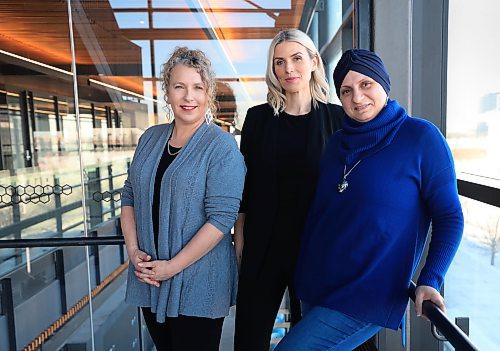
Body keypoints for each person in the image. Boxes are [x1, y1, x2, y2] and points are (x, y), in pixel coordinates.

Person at [275, 49, 464, 351]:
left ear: (384, 85)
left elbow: (450, 216)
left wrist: (431, 277)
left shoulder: (421, 138)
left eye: (366, 85)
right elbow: (326, 212)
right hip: (317, 282)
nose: (357, 98)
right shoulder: (338, 142)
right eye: (346, 91)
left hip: (370, 291)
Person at [120, 47, 246, 351]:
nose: (189, 97)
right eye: (180, 87)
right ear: (167, 92)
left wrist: (173, 267)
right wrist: (134, 251)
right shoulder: (150, 138)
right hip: (150, 278)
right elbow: (129, 196)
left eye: (197, 88)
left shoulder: (221, 146)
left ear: (208, 94)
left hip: (199, 282)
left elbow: (221, 219)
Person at [233, 29, 344, 351]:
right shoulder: (257, 119)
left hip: (314, 245)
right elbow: (246, 182)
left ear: (313, 62)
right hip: (263, 243)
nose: (288, 69)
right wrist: (240, 234)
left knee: (306, 339)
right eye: (279, 62)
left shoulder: (337, 119)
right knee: (250, 336)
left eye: (297, 59)